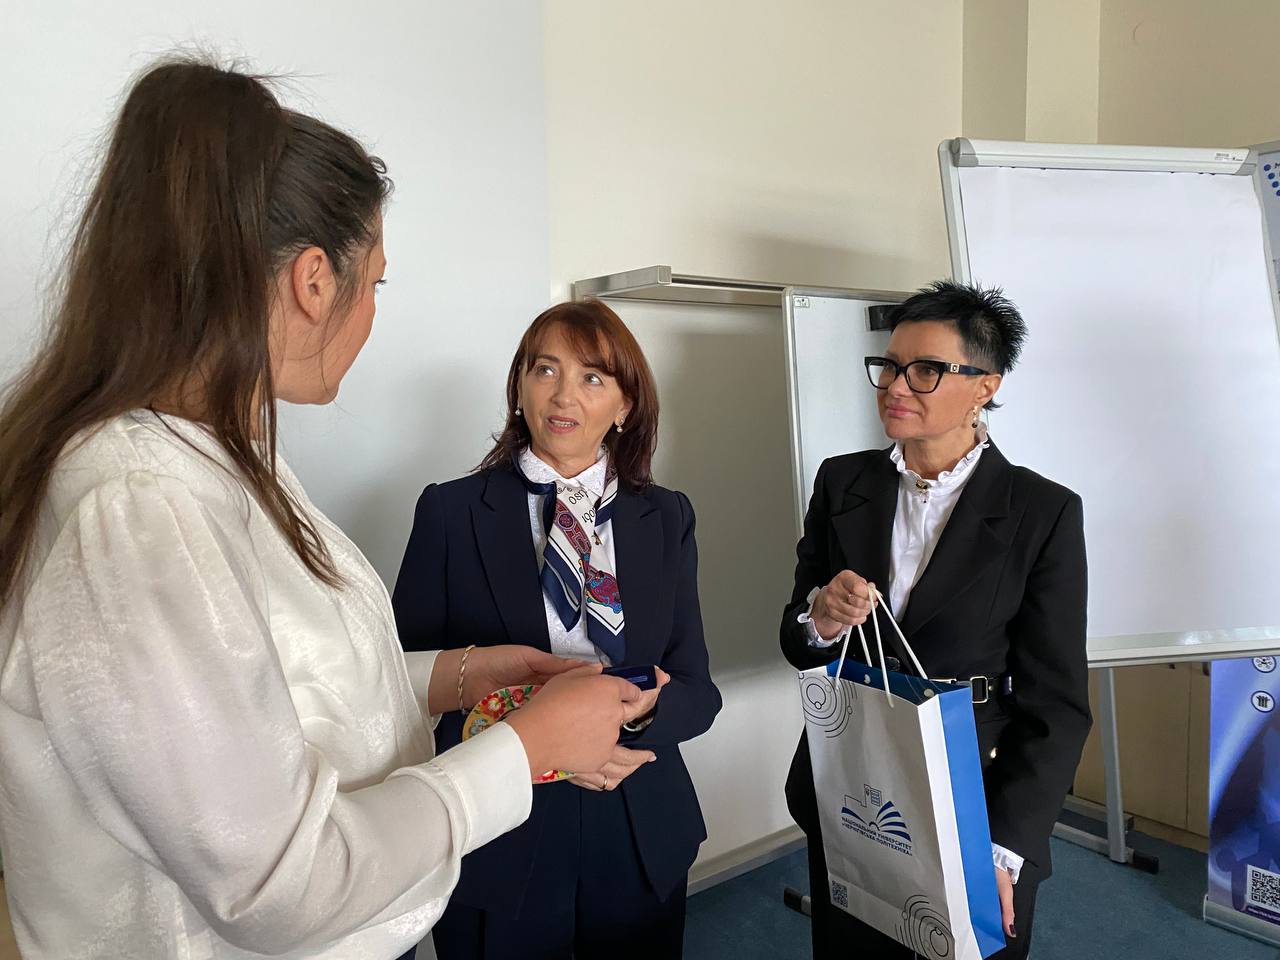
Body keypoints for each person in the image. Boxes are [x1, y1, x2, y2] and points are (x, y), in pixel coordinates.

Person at [0, 59, 643, 960]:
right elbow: (278, 883)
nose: (372, 309)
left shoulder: (227, 461)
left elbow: (269, 692)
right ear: (312, 282)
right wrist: (525, 750)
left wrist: (458, 676)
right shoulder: (142, 510)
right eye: (373, 282)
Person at [393, 299, 721, 959]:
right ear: (519, 389)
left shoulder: (666, 517)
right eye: (545, 370)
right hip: (502, 824)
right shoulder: (451, 512)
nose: (564, 394)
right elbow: (405, 684)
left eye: (592, 377)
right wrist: (546, 740)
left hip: (635, 815)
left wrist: (639, 717)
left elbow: (697, 688)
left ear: (626, 405)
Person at [778, 282, 1091, 960]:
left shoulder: (1042, 512)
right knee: (850, 943)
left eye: (925, 370)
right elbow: (799, 643)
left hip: (974, 787)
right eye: (889, 366)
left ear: (985, 386)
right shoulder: (843, 482)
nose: (895, 386)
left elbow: (1057, 705)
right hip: (854, 771)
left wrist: (1004, 846)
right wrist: (820, 619)